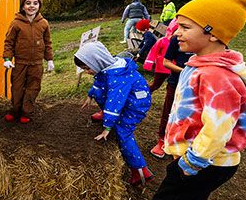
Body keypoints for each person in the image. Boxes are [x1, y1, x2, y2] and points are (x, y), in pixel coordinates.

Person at [140, 0, 246, 200]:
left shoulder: (218, 76)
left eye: (185, 27)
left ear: (213, 33)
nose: (176, 33)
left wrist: (189, 163)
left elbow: (218, 129)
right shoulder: (200, 64)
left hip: (205, 162)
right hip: (201, 159)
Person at [74, 41, 153, 185]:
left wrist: (108, 128)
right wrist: (90, 94)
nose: (87, 72)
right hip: (126, 99)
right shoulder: (108, 67)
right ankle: (107, 114)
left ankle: (140, 170)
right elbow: (99, 82)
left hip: (135, 105)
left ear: (97, 62)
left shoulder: (118, 78)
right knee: (100, 92)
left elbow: (114, 102)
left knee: (123, 132)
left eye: (87, 68)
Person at [3, 0, 54, 124]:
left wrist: (49, 59)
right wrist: (7, 59)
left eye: (35, 3)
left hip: (37, 64)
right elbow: (9, 42)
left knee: (33, 88)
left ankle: (26, 112)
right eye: (28, 3)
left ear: (39, 6)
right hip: (20, 63)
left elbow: (48, 42)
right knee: (17, 88)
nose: (32, 6)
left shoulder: (44, 24)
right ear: (23, 6)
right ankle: (15, 111)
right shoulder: (16, 23)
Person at [148, 24, 194, 158]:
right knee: (169, 111)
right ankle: (162, 140)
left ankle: (185, 143)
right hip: (176, 83)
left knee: (191, 115)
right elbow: (166, 62)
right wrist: (188, 72)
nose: (179, 32)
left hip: (200, 86)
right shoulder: (176, 39)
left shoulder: (210, 41)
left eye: (185, 27)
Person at [143, 19, 178, 93]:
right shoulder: (162, 41)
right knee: (156, 85)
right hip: (162, 68)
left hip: (175, 68)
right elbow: (153, 52)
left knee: (172, 87)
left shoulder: (182, 43)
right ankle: (145, 94)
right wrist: (148, 64)